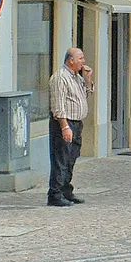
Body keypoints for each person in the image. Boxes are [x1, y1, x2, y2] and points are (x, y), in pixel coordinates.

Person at [48, 47, 94, 207]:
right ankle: (55, 194)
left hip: (77, 123)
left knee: (70, 159)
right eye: (80, 58)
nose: (84, 61)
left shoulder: (76, 77)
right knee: (61, 159)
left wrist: (87, 79)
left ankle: (66, 190)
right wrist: (64, 127)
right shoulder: (60, 78)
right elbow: (58, 106)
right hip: (65, 124)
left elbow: (86, 94)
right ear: (71, 60)